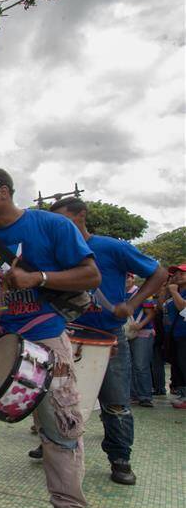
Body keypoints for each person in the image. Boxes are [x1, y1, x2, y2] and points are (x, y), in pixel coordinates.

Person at [0, 169, 100, 508]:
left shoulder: (51, 226)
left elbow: (91, 275)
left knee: (59, 423)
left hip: (45, 334)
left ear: (2, 192)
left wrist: (39, 279)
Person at [50, 197, 165, 484]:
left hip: (107, 337)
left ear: (82, 216)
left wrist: (132, 302)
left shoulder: (112, 247)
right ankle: (53, 444)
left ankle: (120, 459)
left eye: (65, 221)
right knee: (57, 397)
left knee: (115, 402)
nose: (61, 229)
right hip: (68, 335)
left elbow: (158, 272)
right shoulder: (56, 253)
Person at [129, 296, 158, 407]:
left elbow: (151, 313)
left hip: (143, 333)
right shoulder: (120, 292)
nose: (127, 279)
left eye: (130, 277)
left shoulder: (140, 292)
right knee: (128, 366)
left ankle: (145, 396)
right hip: (127, 333)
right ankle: (133, 395)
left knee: (141, 365)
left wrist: (140, 325)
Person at [166, 265, 186, 409]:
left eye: (182, 273)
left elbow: (182, 308)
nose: (178, 276)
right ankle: (183, 394)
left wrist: (173, 292)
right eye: (176, 274)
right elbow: (161, 307)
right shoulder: (178, 291)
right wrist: (166, 289)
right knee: (179, 364)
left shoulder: (178, 293)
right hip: (176, 333)